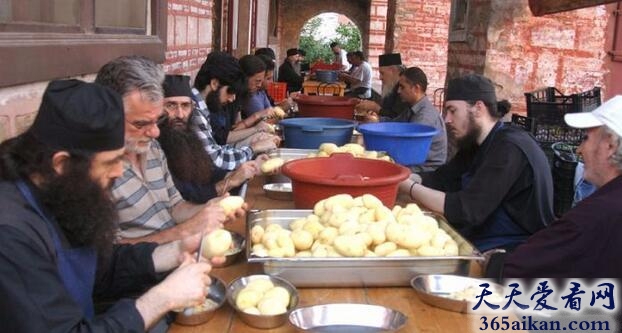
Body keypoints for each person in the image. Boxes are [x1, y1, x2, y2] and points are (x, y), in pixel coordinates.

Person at [0, 79, 222, 331]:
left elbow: (97, 267)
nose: (119, 171)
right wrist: (162, 298)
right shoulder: (10, 235)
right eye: (110, 162)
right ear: (61, 164)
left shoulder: (58, 189)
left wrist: (174, 251)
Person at [398, 74, 554, 252]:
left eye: (452, 110)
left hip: (514, 252)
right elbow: (442, 179)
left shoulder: (509, 149)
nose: (447, 119)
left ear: (478, 108)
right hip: (482, 237)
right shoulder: (475, 143)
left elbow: (466, 210)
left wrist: (408, 187)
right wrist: (402, 176)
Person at [95, 56, 239, 244]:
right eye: (141, 123)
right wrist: (184, 232)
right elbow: (109, 257)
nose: (155, 132)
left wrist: (210, 209)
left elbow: (176, 206)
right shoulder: (97, 171)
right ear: (110, 115)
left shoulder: (152, 147)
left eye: (157, 120)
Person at [503, 95, 622, 277]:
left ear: (610, 146)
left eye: (586, 138)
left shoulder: (597, 214)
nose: (579, 149)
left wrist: (492, 262)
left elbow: (518, 268)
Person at [158, 74, 261, 204]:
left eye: (185, 106)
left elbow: (206, 171)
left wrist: (245, 170)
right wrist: (230, 181)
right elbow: (188, 197)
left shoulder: (186, 135)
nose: (180, 114)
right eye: (171, 105)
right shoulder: (158, 146)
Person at [191, 51, 278, 171]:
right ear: (214, 83)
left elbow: (217, 149)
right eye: (230, 92)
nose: (232, 99)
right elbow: (216, 160)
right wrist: (253, 148)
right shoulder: (194, 110)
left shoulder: (204, 107)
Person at [363, 67, 446, 172]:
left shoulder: (424, 116)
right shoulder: (412, 108)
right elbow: (394, 124)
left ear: (416, 88)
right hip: (412, 163)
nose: (398, 91)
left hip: (425, 170)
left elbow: (408, 149)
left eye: (402, 87)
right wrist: (377, 121)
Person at [354, 53, 409, 119]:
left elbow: (397, 118)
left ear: (393, 70)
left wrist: (376, 108)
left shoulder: (404, 88)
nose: (380, 77)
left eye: (382, 73)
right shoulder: (392, 84)